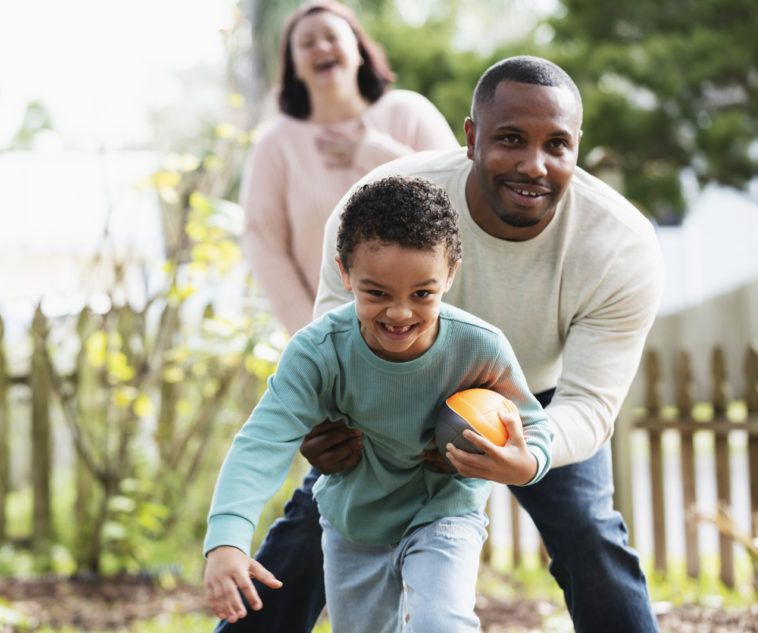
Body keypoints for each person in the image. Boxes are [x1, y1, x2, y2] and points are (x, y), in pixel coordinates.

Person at [304, 56, 665, 632]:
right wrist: (325, 422)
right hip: (390, 389)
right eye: (511, 139)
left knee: (590, 534)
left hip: (534, 407)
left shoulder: (619, 246)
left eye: (557, 145)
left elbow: (591, 405)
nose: (534, 165)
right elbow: (335, 339)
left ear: (577, 147)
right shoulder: (382, 205)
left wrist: (530, 456)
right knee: (313, 522)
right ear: (471, 137)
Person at [204, 175, 553, 633]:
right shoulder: (318, 353)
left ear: (450, 274)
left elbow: (536, 429)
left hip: (445, 510)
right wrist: (226, 540)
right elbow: (262, 441)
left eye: (422, 293)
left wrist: (524, 466)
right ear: (345, 273)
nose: (400, 313)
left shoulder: (479, 348)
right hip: (355, 524)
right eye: (377, 293)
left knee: (440, 623)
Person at [239, 0, 458, 336]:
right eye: (307, 43)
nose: (321, 47)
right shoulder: (276, 143)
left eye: (331, 36)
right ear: (294, 65)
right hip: (335, 342)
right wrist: (314, 335)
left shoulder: (409, 112)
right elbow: (263, 245)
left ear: (358, 49)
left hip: (431, 332)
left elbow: (458, 199)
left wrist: (371, 152)